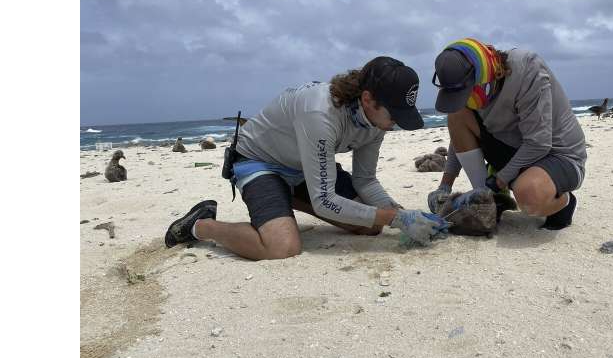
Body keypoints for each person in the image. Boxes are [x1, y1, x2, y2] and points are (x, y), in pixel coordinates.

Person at [165, 57, 448, 260]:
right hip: (259, 162)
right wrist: (395, 218)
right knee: (281, 248)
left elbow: (365, 179)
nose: (396, 123)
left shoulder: (376, 121)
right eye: (394, 115)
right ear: (368, 99)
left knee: (372, 226)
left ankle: (286, 199)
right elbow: (325, 201)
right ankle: (198, 225)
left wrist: (399, 212)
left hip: (305, 167)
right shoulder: (320, 114)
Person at [427, 38, 587, 229]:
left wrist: (497, 182)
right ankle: (490, 204)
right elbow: (459, 134)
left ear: (484, 74)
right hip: (512, 150)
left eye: (465, 93)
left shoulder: (527, 69)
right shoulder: (474, 91)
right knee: (457, 113)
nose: (465, 98)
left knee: (529, 195)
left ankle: (564, 202)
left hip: (557, 155)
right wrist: (445, 186)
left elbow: (539, 144)